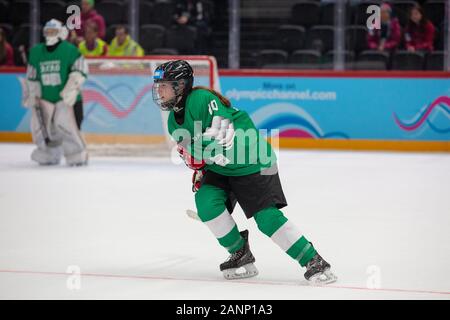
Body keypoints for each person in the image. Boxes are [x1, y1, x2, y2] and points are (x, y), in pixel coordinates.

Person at [152, 60, 337, 284]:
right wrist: (200, 167)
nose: (158, 91)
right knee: (206, 203)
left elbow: (223, 133)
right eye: (157, 86)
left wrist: (199, 151)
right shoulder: (173, 121)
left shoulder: (202, 99)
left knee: (266, 218)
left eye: (163, 85)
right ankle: (240, 252)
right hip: (222, 166)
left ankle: (313, 260)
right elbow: (196, 154)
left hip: (253, 160)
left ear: (180, 85)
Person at [21, 19, 89, 166]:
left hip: (66, 100)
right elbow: (32, 76)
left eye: (53, 31)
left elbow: (80, 69)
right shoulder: (36, 51)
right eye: (47, 32)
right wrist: (31, 94)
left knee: (67, 128)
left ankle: (77, 155)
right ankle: (48, 154)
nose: (50, 35)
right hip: (45, 100)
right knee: (42, 129)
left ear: (60, 33)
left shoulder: (70, 50)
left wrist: (71, 88)